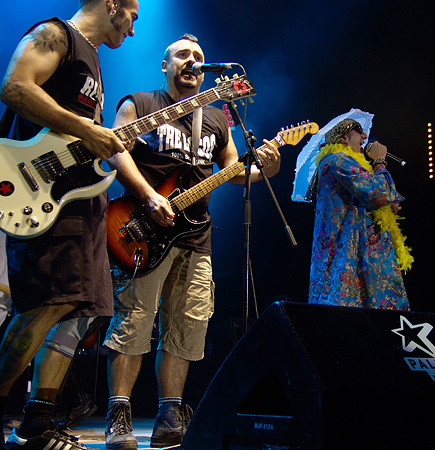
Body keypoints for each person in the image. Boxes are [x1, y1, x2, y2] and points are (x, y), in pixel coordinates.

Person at [102, 33, 281, 450]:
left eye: (199, 56)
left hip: (196, 236)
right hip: (141, 228)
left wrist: (266, 171)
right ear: (164, 65)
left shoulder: (218, 119)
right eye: (182, 55)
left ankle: (170, 414)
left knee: (187, 325)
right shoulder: (141, 103)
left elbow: (233, 171)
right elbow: (115, 150)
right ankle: (119, 414)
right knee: (134, 318)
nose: (192, 61)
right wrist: (147, 196)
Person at [0, 1, 138, 449]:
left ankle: (37, 422)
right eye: (132, 15)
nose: (133, 30)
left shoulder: (93, 60)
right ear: (113, 5)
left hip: (76, 200)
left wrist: (97, 139)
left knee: (74, 308)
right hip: (40, 194)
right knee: (44, 303)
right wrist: (87, 129)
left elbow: (83, 140)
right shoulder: (56, 34)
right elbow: (16, 87)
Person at [308, 118, 413, 310]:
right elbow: (379, 193)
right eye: (359, 130)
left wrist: (386, 207)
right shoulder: (336, 159)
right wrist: (380, 161)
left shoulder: (345, 163)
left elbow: (373, 197)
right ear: (343, 138)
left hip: (357, 252)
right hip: (345, 254)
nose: (365, 136)